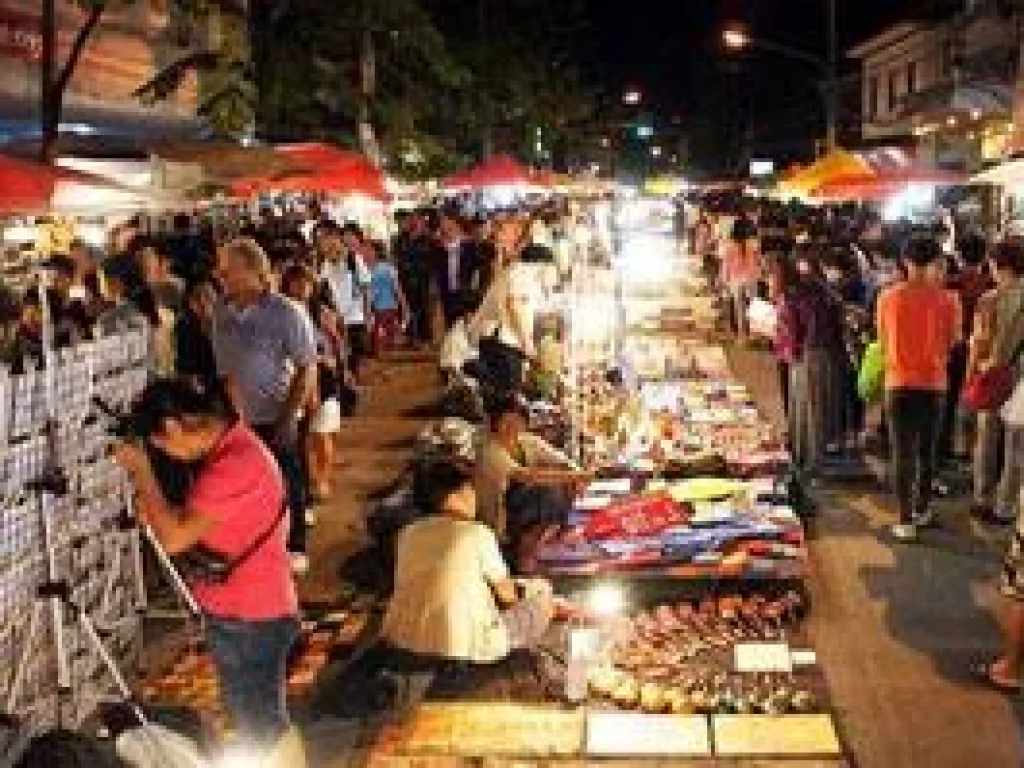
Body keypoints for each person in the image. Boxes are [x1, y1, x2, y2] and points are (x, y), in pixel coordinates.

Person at [112, 378, 300, 754]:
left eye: (161, 447)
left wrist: (143, 472)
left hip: (250, 615)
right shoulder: (236, 447)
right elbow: (199, 521)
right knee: (256, 718)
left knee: (260, 723)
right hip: (247, 608)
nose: (168, 456)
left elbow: (174, 538)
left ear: (173, 427)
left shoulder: (234, 464)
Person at [212, 237, 318, 573]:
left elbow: (307, 366)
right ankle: (261, 546)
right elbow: (226, 370)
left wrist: (289, 417)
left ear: (251, 271)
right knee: (251, 486)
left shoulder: (286, 312)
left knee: (288, 478)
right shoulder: (221, 314)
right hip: (242, 418)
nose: (222, 276)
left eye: (228, 270)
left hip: (278, 413)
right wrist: (235, 419)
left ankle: (295, 543)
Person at [382, 458, 555, 664]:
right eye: (469, 490)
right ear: (453, 497)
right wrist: (528, 592)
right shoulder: (476, 533)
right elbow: (508, 597)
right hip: (465, 647)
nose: (474, 497)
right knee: (543, 595)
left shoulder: (407, 533)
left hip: (401, 639)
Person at [876, 236, 961, 541]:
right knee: (927, 451)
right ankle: (923, 509)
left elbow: (883, 341)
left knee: (902, 453)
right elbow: (953, 343)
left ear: (906, 261)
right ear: (936, 262)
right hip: (934, 384)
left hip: (898, 383)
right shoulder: (949, 300)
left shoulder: (887, 297)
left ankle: (904, 520)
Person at [475, 393, 591, 564]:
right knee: (548, 489)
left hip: (523, 510)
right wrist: (575, 476)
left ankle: (538, 541)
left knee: (557, 479)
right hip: (501, 519)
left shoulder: (527, 442)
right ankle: (522, 553)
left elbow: (562, 460)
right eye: (506, 421)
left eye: (517, 421)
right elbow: (528, 476)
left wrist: (576, 475)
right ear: (495, 422)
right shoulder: (490, 451)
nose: (512, 426)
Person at [969, 238, 1024, 526]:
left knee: (987, 439)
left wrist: (973, 373)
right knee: (1016, 446)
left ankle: (982, 498)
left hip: (991, 374)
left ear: (997, 265)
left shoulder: (989, 300)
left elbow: (977, 343)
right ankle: (1006, 506)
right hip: (1020, 376)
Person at [319, 221, 373, 384]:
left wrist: (368, 313)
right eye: (324, 243)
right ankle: (346, 381)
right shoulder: (324, 265)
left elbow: (365, 288)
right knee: (340, 352)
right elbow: (323, 291)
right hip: (335, 318)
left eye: (331, 241)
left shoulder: (353, 260)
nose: (329, 246)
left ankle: (352, 381)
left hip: (355, 316)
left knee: (355, 353)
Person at [392, 209, 437, 348]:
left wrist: (433, 282)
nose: (414, 222)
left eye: (418, 219)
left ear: (423, 222)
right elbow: (396, 259)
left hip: (423, 279)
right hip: (405, 279)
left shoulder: (430, 240)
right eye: (412, 219)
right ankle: (410, 337)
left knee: (423, 309)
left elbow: (434, 262)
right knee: (406, 309)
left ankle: (425, 339)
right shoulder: (400, 239)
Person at [365, 240, 410, 354]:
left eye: (369, 249)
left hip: (388, 308)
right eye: (365, 249)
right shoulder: (363, 269)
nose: (366, 252)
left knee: (388, 339)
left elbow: (397, 287)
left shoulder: (387, 268)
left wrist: (404, 305)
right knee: (377, 342)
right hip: (374, 309)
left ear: (376, 252)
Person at [174, 280, 219, 391]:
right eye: (197, 298)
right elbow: (184, 368)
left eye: (207, 296)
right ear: (190, 303)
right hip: (200, 389)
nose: (203, 303)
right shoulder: (184, 328)